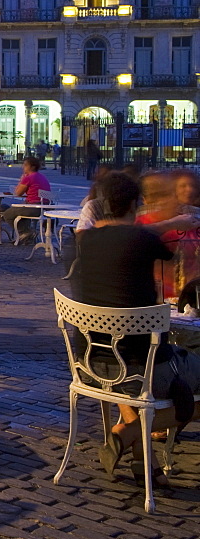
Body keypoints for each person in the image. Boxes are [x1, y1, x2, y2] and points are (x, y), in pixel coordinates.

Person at [72, 172, 200, 487]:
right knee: (153, 373)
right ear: (134, 204)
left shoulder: (85, 241)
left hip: (90, 364)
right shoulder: (143, 240)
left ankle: (147, 466)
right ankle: (126, 433)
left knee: (126, 372)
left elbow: (133, 235)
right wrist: (172, 223)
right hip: (140, 368)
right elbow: (162, 248)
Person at [1, 157, 51, 244]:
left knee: (7, 214)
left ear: (32, 167)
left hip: (34, 207)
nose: (23, 167)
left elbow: (18, 193)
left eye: (25, 165)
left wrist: (21, 180)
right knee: (21, 211)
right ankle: (27, 235)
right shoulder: (42, 177)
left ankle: (25, 232)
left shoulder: (29, 177)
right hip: (46, 207)